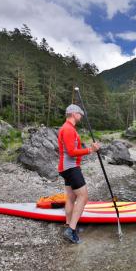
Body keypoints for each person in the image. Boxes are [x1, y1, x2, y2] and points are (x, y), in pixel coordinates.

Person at [58, 104, 99, 244]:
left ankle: (68, 224)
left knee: (70, 197)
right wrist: (90, 150)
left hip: (66, 168)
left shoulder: (67, 128)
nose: (81, 116)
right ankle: (71, 230)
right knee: (83, 196)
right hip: (71, 168)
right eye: (80, 113)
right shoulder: (68, 129)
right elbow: (71, 152)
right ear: (74, 114)